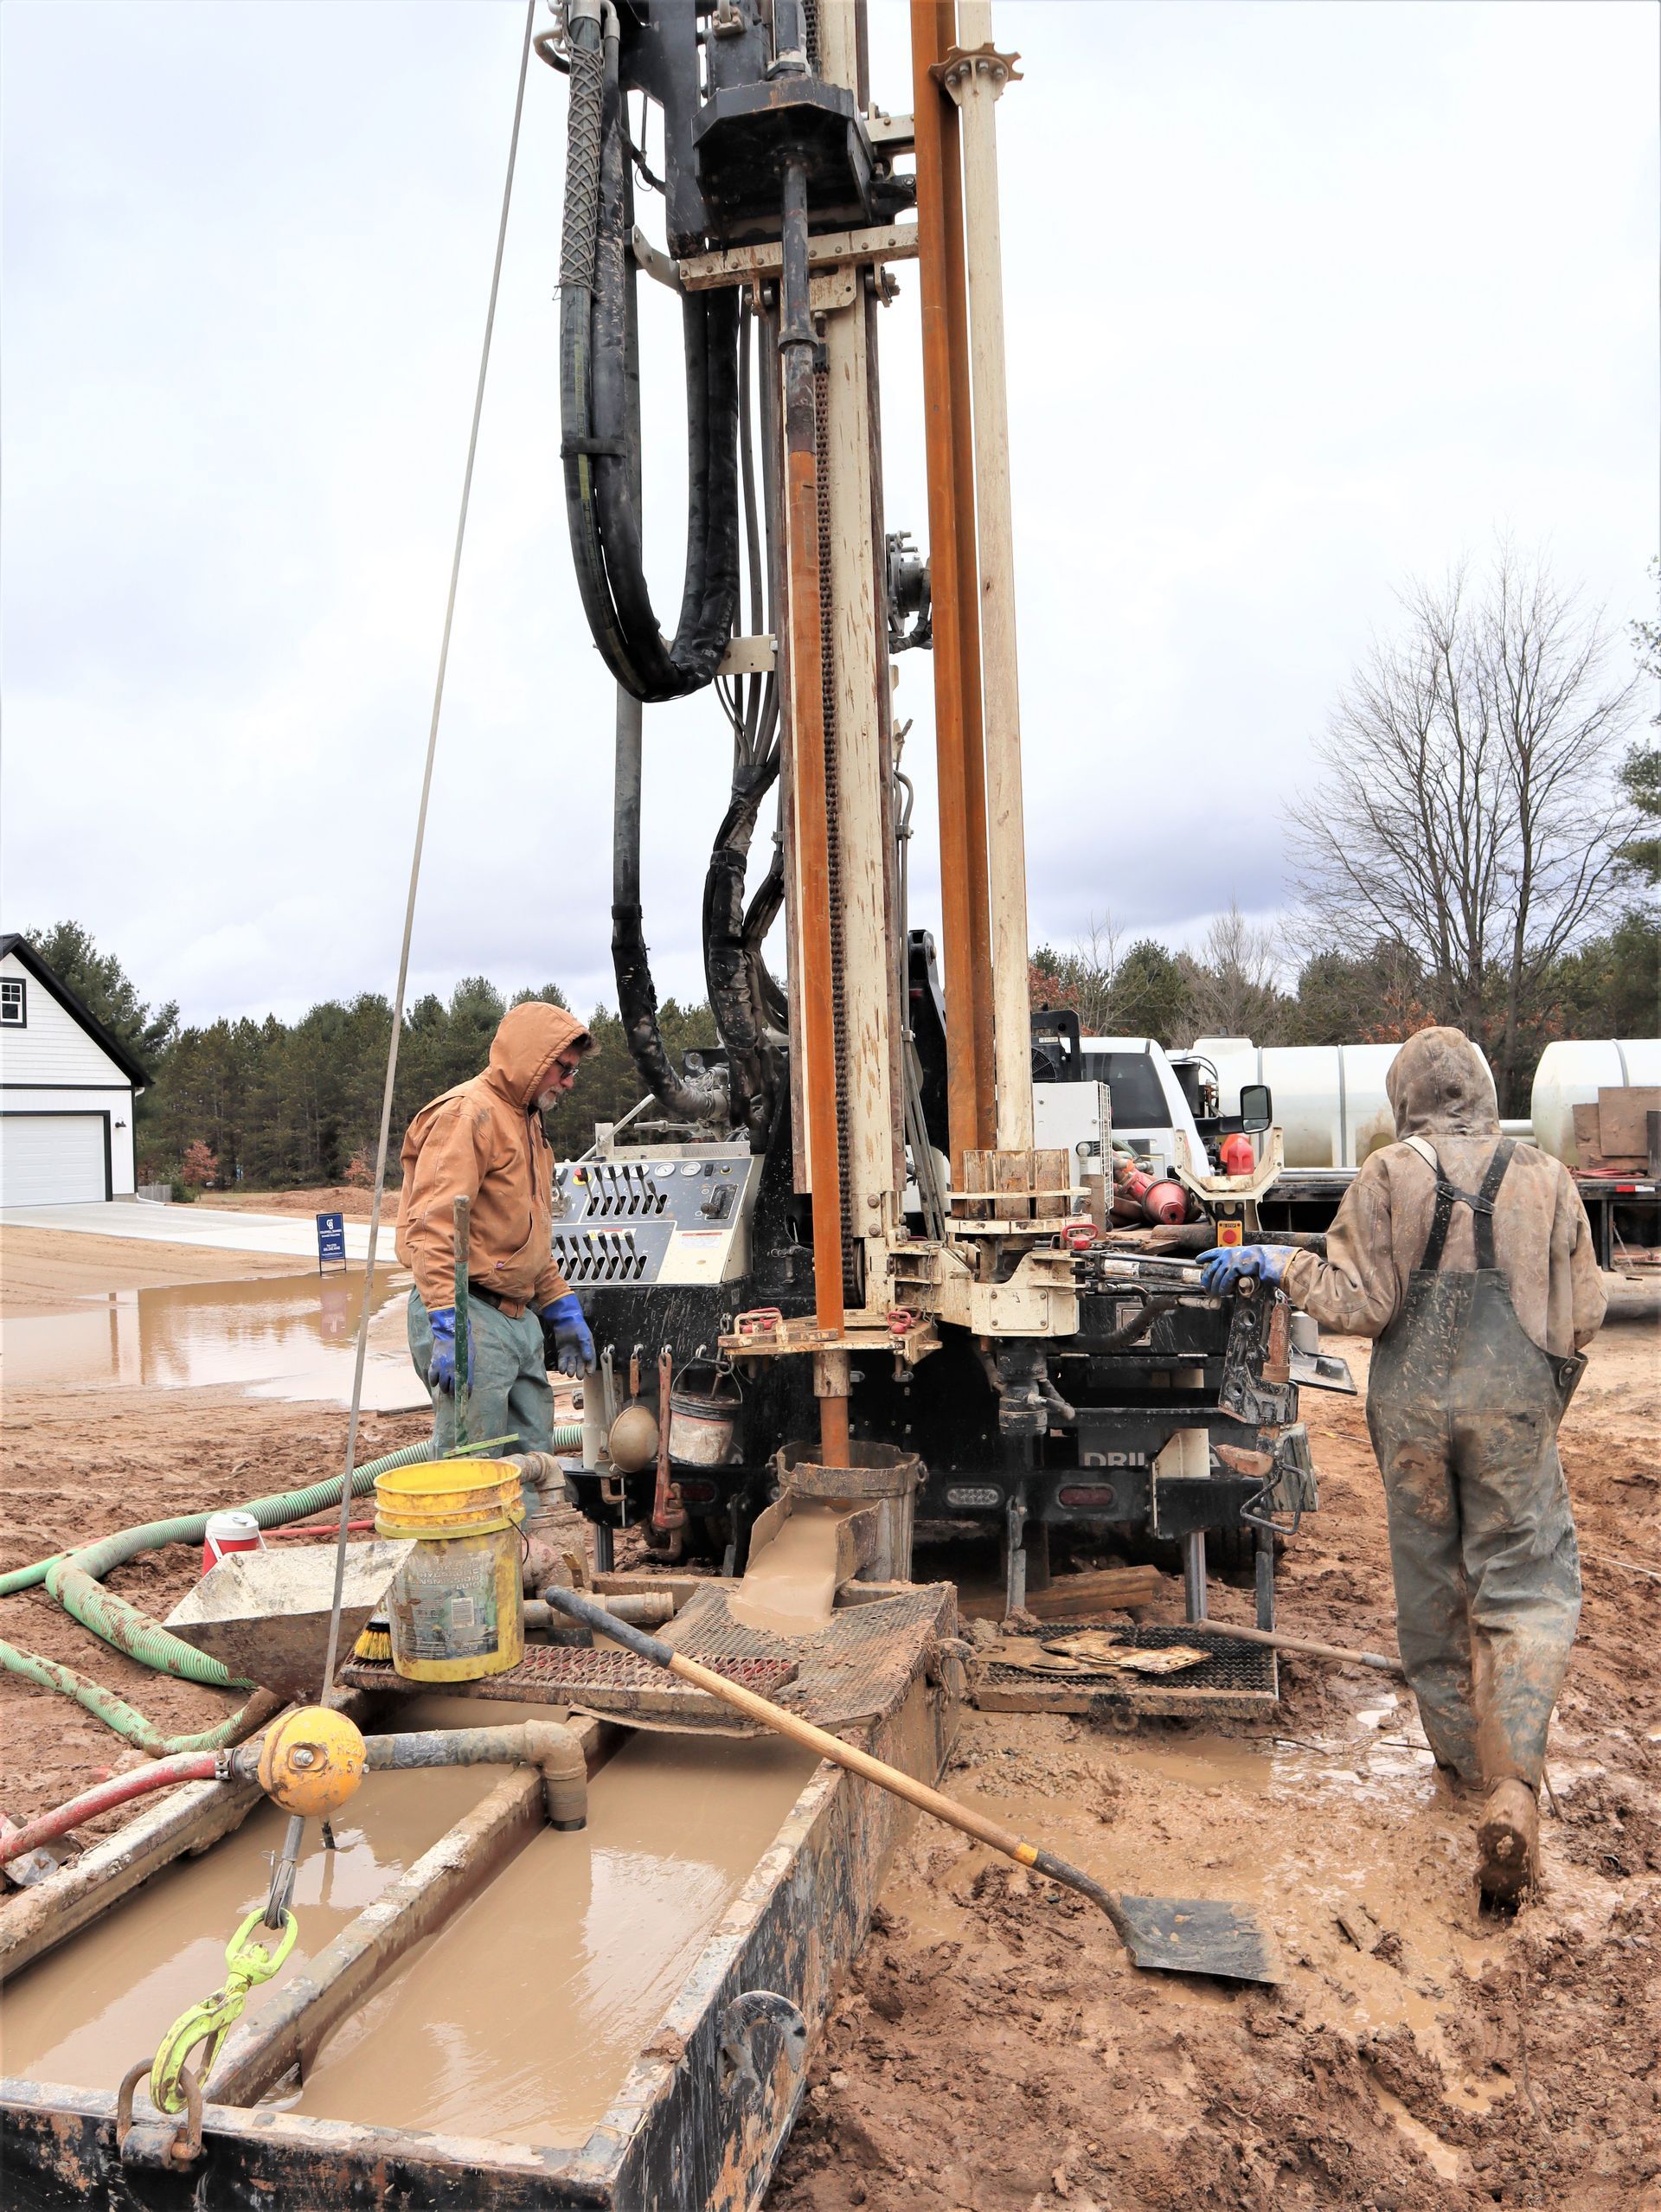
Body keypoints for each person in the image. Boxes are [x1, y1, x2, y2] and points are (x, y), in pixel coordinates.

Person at [1197, 1027, 1606, 1901]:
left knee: (1431, 1591)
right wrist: (1541, 1402)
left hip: (1412, 1418)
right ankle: (1512, 1786)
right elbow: (1585, 1314)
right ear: (1487, 1090)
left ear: (1404, 1097)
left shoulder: (1389, 1173)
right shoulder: (1546, 1177)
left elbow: (1361, 1304)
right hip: (1514, 1414)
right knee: (1525, 1590)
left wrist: (1278, 1263)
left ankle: (1460, 1773)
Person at [395, 1001, 597, 1457]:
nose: (567, 1082)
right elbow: (432, 1228)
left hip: (516, 1318)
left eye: (573, 1072)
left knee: (532, 1462)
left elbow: (523, 1236)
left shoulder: (527, 1123)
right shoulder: (468, 1114)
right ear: (530, 1059)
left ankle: (525, 1533)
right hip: (469, 1310)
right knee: (475, 1469)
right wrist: (447, 1319)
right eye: (562, 1069)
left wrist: (559, 1302)